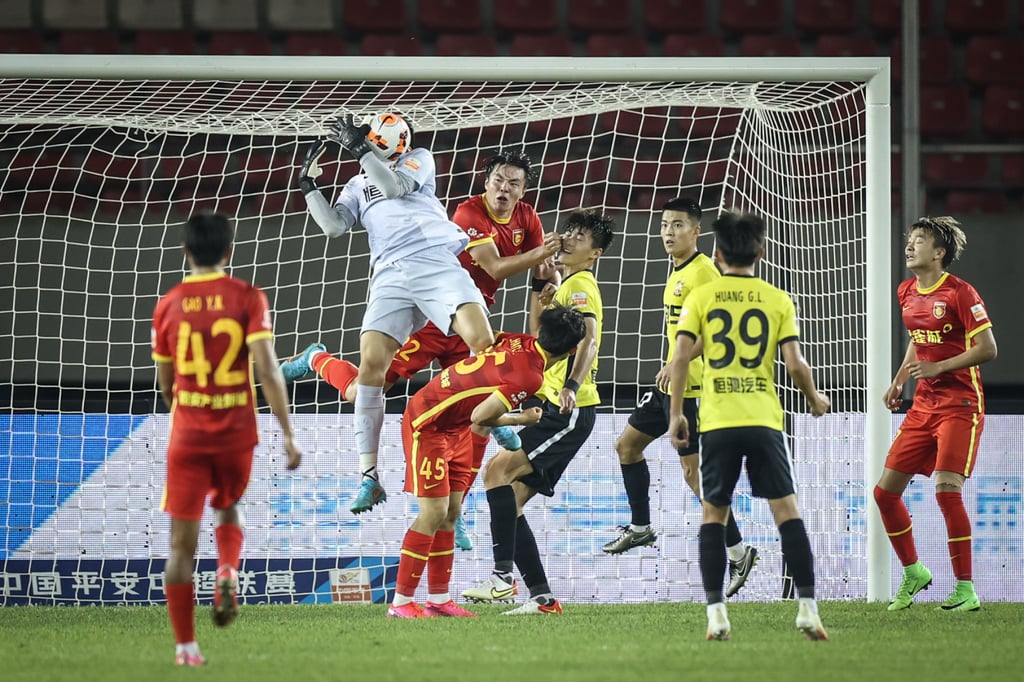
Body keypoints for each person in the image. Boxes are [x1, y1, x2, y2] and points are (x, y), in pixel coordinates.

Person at [285, 148, 561, 528]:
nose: (504, 188)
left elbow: (541, 274)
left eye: (514, 183)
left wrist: (548, 294)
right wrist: (308, 185)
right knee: (368, 384)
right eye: (499, 179)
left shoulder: (519, 213)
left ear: (523, 190)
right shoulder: (469, 212)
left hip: (456, 296)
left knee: (475, 392)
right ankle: (318, 360)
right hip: (425, 310)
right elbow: (496, 266)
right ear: (486, 181)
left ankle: (455, 509)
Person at [292, 112, 496, 516]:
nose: (366, 142)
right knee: (371, 367)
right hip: (390, 273)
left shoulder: (418, 158)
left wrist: (356, 150)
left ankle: (498, 415)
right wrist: (308, 187)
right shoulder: (355, 184)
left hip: (435, 261)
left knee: (482, 343)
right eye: (364, 138)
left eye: (370, 138)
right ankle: (369, 476)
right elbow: (334, 227)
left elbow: (395, 187)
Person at [668, 211, 830, 641]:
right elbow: (795, 363)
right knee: (787, 512)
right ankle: (808, 610)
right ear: (760, 251)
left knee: (713, 514)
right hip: (763, 419)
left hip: (718, 421)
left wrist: (677, 414)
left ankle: (717, 614)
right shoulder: (777, 299)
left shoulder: (702, 298)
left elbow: (682, 357)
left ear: (717, 253)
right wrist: (814, 397)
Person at [150, 212, 302, 666]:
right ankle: (228, 569)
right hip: (237, 432)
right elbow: (268, 369)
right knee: (228, 506)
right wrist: (289, 434)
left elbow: (165, 384)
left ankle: (186, 648)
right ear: (229, 253)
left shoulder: (169, 303)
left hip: (189, 435)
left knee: (181, 546)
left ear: (185, 252)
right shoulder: (247, 297)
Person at [388, 304, 587, 617]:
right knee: (434, 511)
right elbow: (480, 415)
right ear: (573, 349)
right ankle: (400, 602)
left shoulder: (520, 340)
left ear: (540, 332)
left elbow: (487, 342)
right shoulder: (530, 377)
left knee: (451, 513)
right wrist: (522, 418)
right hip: (427, 421)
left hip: (452, 425)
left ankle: (439, 600)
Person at [603, 197, 758, 598]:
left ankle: (739, 552)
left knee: (695, 476)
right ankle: (640, 527)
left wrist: (680, 360)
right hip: (671, 385)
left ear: (696, 231)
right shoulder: (678, 271)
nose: (668, 232)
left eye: (677, 225)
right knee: (627, 446)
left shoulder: (704, 272)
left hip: (693, 390)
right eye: (664, 224)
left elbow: (722, 327)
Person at [462, 209, 614, 615]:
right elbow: (537, 342)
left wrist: (570, 386)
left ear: (594, 253)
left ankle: (501, 579)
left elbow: (589, 340)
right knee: (508, 499)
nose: (567, 239)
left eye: (579, 238)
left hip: (567, 409)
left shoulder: (581, 286)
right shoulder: (565, 285)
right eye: (567, 232)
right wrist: (541, 289)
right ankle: (542, 598)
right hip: (551, 403)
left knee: (496, 472)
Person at [874, 216, 997, 613]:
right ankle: (914, 572)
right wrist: (898, 382)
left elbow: (988, 348)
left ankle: (965, 589)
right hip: (923, 404)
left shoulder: (961, 293)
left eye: (920, 240)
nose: (910, 246)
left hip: (960, 405)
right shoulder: (906, 290)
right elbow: (918, 339)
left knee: (947, 490)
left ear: (939, 253)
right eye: (909, 240)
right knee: (884, 493)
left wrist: (940, 368)